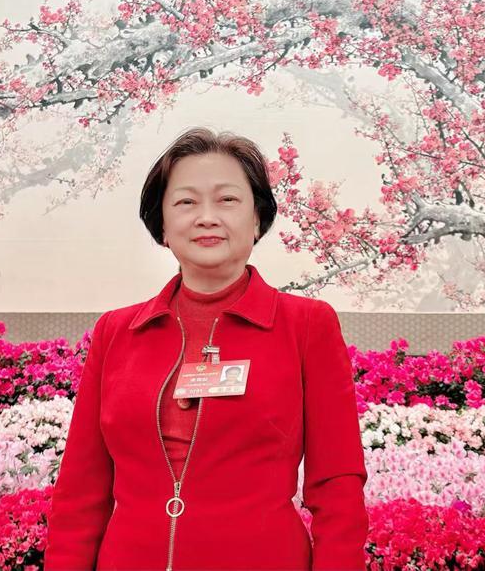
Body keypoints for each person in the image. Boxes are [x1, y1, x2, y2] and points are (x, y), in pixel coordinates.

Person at [45, 127, 369, 570]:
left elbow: (337, 483)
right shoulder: (116, 332)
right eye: (186, 202)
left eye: (227, 200)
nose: (207, 217)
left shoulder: (307, 325)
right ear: (162, 225)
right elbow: (80, 491)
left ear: (257, 219)